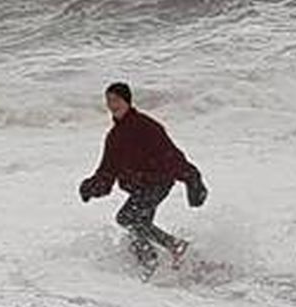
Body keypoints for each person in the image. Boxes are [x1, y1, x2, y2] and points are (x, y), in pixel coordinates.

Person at [79, 82, 207, 275]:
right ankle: (150, 267)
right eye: (109, 101)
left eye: (116, 100)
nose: (112, 104)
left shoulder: (146, 127)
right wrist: (92, 186)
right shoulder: (114, 136)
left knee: (127, 218)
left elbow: (170, 155)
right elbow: (107, 170)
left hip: (158, 182)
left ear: (127, 101)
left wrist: (191, 177)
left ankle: (169, 249)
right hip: (140, 187)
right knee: (138, 227)